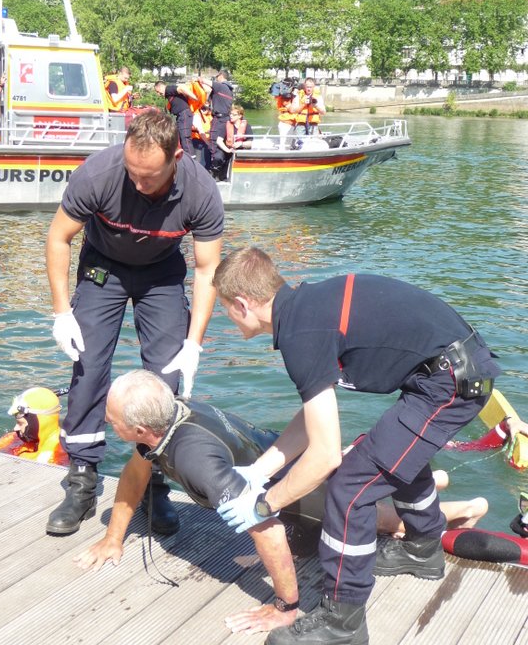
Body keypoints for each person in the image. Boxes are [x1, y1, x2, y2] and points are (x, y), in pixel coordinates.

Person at [213, 247, 501, 645]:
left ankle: (342, 620)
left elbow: (326, 454)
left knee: (351, 487)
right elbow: (311, 418)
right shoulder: (304, 310)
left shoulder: (301, 333)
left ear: (242, 304)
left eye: (225, 309)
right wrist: (256, 472)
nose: (228, 320)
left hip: (451, 383)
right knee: (397, 454)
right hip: (445, 374)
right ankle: (422, 549)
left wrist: (264, 504)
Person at [75, 371, 489, 636]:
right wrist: (114, 537)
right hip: (277, 450)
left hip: (289, 485)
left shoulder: (192, 459)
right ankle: (433, 480)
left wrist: (286, 607)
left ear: (141, 428)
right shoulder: (170, 414)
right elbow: (136, 470)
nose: (108, 422)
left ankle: (464, 509)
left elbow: (266, 527)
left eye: (112, 419)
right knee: (354, 492)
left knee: (375, 518)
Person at [45, 110, 224, 538]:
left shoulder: (201, 192)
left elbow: (206, 269)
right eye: (132, 173)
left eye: (149, 177)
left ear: (176, 157)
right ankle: (82, 479)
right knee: (88, 367)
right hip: (102, 267)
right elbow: (58, 237)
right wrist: (61, 313)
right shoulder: (98, 175)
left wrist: (194, 343)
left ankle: (153, 484)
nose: (139, 184)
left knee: (165, 378)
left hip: (161, 274)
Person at [0, 387, 68, 466]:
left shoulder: (53, 456)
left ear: (38, 423)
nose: (15, 428)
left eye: (20, 423)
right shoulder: (12, 438)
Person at [154, 80, 199, 157]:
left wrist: (194, 97)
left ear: (160, 87)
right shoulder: (168, 94)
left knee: (185, 136)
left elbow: (181, 88)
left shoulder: (168, 89)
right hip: (180, 116)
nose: (158, 94)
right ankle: (185, 156)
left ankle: (191, 158)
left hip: (184, 114)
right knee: (180, 137)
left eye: (158, 91)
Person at [213, 105, 253, 180]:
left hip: (240, 150)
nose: (231, 116)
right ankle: (217, 175)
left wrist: (241, 144)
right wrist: (227, 150)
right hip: (227, 149)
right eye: (230, 114)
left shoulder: (247, 126)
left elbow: (250, 143)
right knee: (217, 157)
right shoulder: (225, 125)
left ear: (240, 116)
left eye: (234, 115)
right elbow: (219, 140)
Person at [208, 70, 234, 178]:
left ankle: (214, 174)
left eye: (217, 76)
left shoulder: (220, 86)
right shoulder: (229, 89)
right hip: (226, 119)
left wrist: (197, 80)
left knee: (214, 145)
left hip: (219, 120)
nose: (216, 78)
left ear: (221, 76)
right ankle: (223, 174)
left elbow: (206, 83)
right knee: (223, 144)